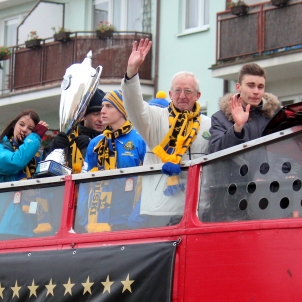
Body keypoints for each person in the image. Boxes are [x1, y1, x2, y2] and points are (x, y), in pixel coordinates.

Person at [121, 38, 211, 222]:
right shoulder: (154, 118)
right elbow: (133, 105)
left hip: (198, 209)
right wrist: (132, 72)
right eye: (177, 91)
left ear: (198, 95)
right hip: (159, 209)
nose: (182, 96)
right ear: (170, 95)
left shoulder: (209, 124)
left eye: (188, 91)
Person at [78, 90, 146, 232]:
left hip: (128, 222)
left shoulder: (140, 140)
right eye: (103, 106)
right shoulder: (96, 143)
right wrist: (84, 219)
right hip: (95, 222)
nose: (102, 111)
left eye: (108, 106)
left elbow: (148, 184)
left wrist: (135, 220)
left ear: (122, 110)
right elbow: (85, 182)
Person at [0, 110, 49, 239]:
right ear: (13, 125)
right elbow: (16, 162)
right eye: (21, 124)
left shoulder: (36, 155)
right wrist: (35, 136)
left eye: (30, 129)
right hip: (6, 228)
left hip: (33, 226)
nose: (24, 130)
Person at [209, 63, 280, 153]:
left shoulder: (277, 115)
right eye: (251, 86)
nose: (256, 91)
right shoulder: (220, 118)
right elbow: (215, 152)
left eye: (260, 87)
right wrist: (237, 128)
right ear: (238, 87)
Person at [44, 88, 105, 173]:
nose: (101, 120)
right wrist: (53, 147)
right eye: (96, 114)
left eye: (103, 114)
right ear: (84, 115)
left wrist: (90, 148)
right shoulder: (68, 136)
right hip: (67, 185)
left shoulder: (110, 138)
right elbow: (43, 168)